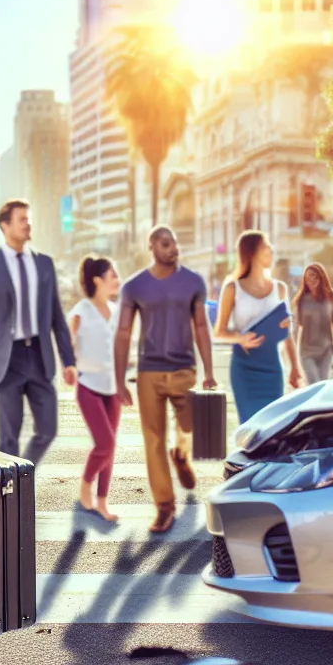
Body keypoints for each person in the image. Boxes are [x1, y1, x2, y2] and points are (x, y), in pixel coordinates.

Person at [113, 226, 217, 535]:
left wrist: (209, 371)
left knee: (189, 427)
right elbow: (122, 332)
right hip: (149, 373)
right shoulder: (134, 287)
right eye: (166, 243)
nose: (173, 248)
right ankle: (164, 506)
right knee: (153, 439)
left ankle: (181, 454)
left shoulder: (193, 282)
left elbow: (200, 326)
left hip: (185, 370)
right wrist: (119, 380)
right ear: (152, 247)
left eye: (174, 243)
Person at [0, 200, 76, 462]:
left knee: (48, 430)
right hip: (7, 360)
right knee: (8, 439)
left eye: (29, 219)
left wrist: (68, 361)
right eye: (22, 220)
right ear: (5, 225)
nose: (29, 224)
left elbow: (57, 317)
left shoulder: (44, 265)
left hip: (39, 355)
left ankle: (23, 477)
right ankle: (10, 493)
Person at [213, 230, 296, 424]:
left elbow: (287, 332)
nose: (271, 249)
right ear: (252, 252)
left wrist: (295, 368)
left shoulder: (280, 288)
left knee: (274, 427)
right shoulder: (233, 288)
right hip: (244, 369)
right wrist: (240, 338)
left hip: (273, 369)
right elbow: (219, 331)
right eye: (266, 245)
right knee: (250, 427)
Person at [69, 256, 122, 524]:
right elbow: (68, 345)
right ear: (97, 280)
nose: (117, 279)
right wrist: (68, 366)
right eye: (112, 275)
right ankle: (85, 484)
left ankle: (102, 501)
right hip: (88, 386)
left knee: (109, 449)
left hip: (113, 389)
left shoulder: (115, 312)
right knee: (106, 443)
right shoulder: (81, 311)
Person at [291, 262, 333, 387]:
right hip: (306, 353)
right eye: (308, 277)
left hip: (326, 351)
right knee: (314, 384)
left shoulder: (332, 297)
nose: (311, 279)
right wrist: (294, 363)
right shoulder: (301, 300)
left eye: (314, 276)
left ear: (321, 277)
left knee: (322, 384)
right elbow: (295, 329)